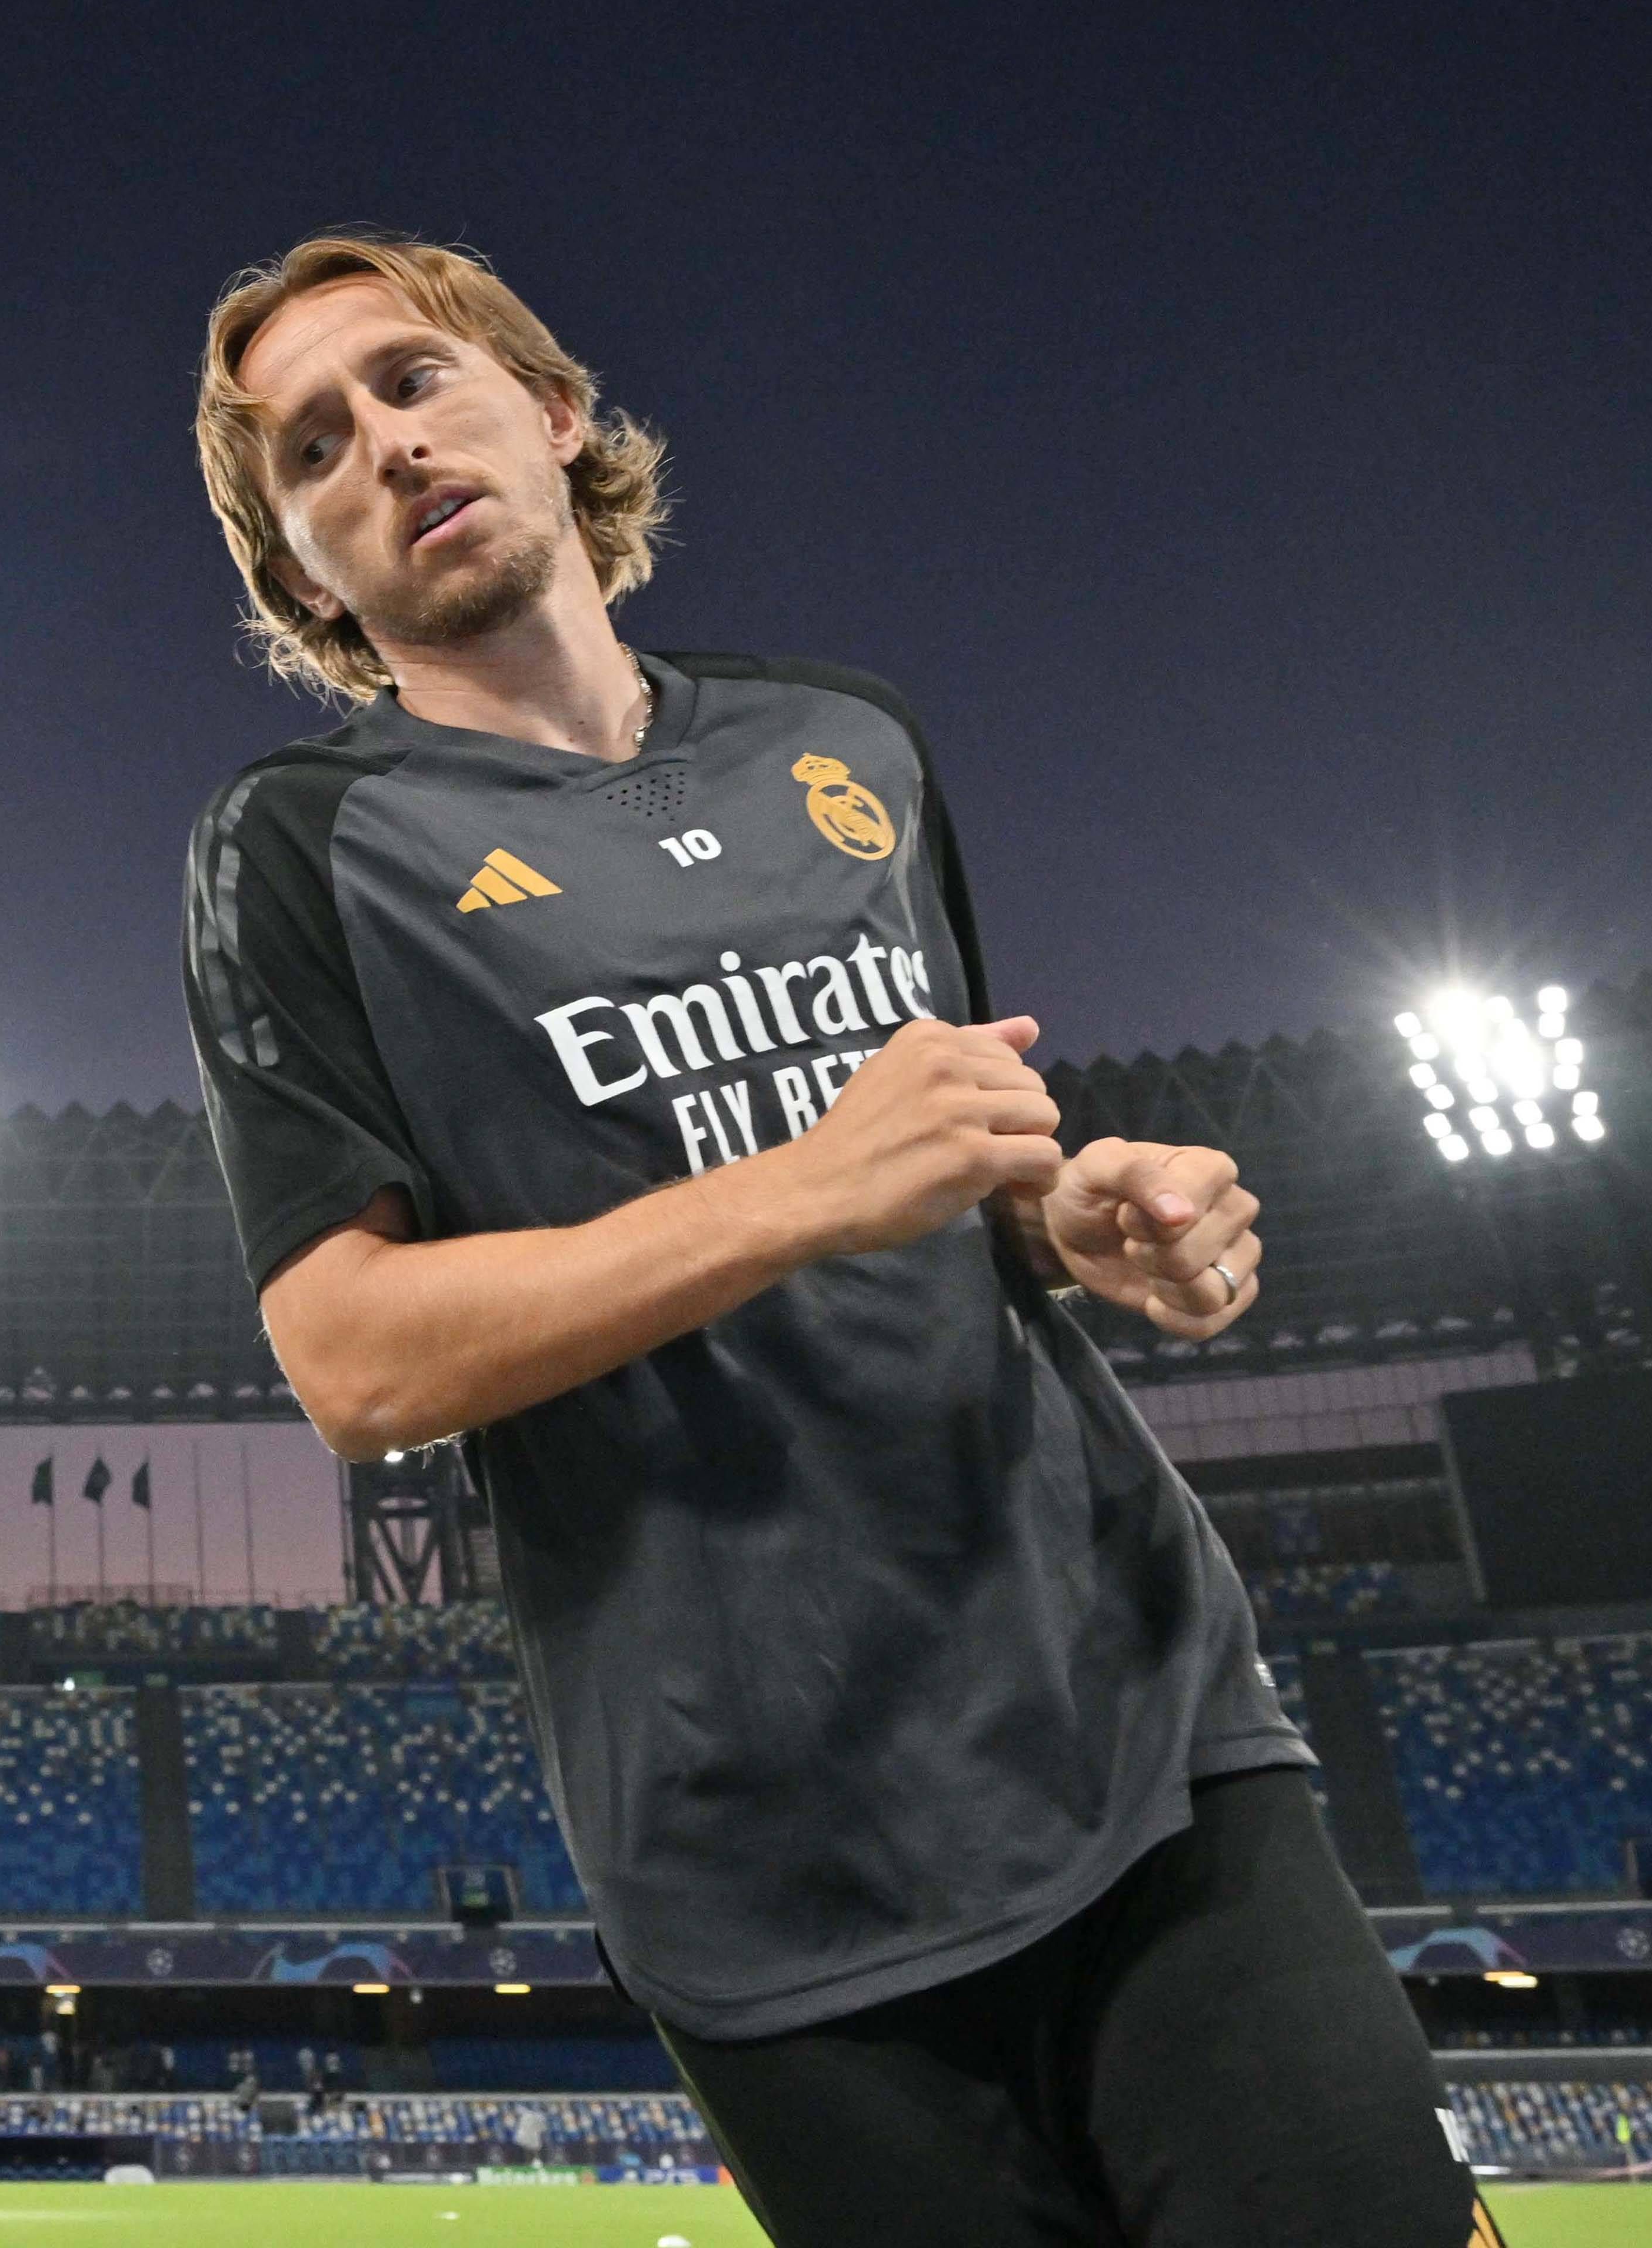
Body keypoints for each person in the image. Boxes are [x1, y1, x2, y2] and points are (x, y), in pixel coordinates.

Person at [180, 234, 1486, 2247]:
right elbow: (354, 1361)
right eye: (313, 450)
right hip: (763, 1851)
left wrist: (1071, 1215)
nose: (386, 446)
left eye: (415, 379)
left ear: (553, 409)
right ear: (303, 574)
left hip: (1134, 1711)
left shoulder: (848, 739)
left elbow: (944, 1170)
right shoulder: (300, 845)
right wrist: (809, 1183)